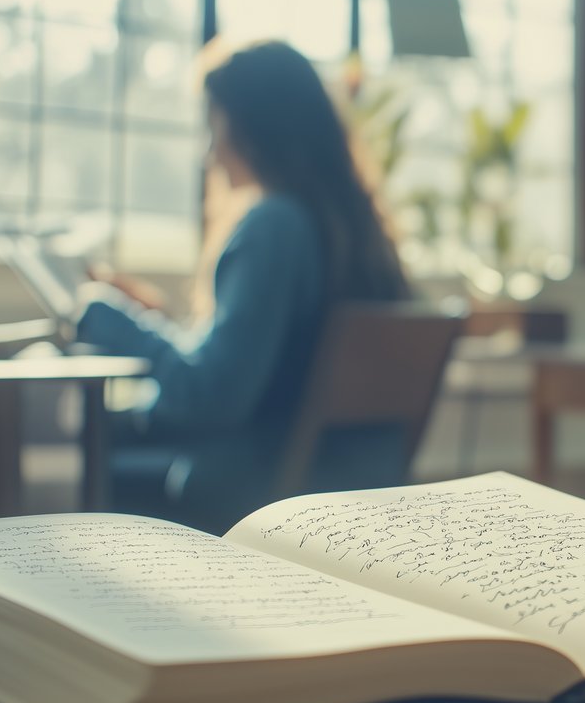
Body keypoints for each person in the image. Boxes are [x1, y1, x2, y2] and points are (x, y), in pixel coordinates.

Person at [75, 41, 409, 533]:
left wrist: (108, 316)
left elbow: (212, 397)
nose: (210, 153)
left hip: (266, 488)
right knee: (116, 431)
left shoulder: (275, 225)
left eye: (215, 126)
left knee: (89, 448)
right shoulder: (351, 229)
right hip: (341, 478)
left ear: (254, 129)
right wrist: (161, 324)